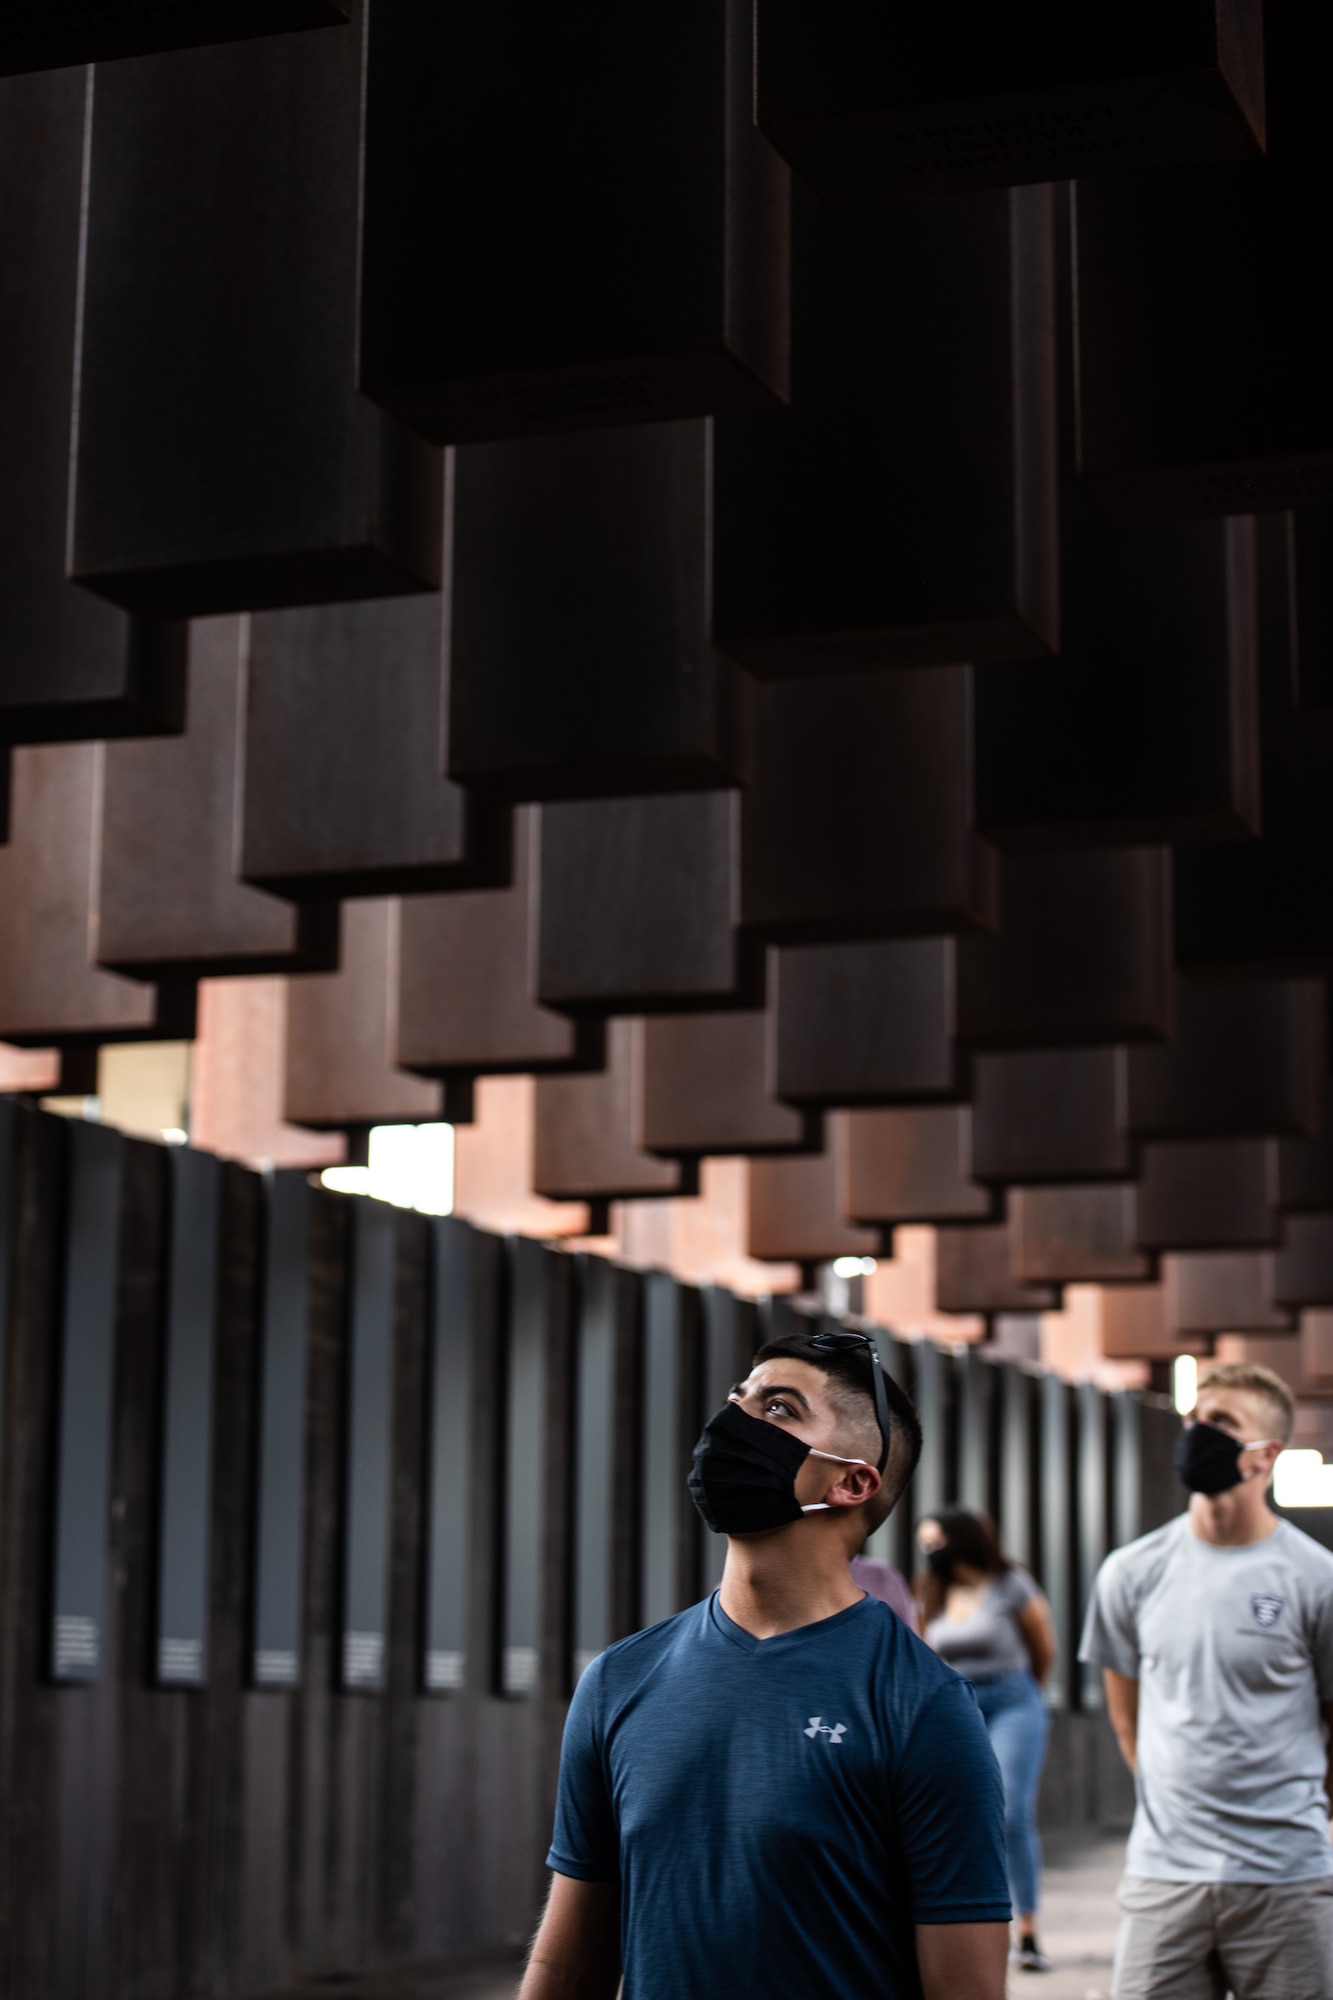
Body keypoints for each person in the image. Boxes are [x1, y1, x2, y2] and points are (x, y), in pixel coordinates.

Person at [520, 1325, 1012, 2000]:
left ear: (852, 1482)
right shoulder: (617, 1680)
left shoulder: (920, 1706)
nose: (733, 1420)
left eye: (777, 1408)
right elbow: (567, 1967)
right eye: (738, 1397)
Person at [1079, 1360, 1333, 2000]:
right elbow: (1126, 1717)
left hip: (1287, 1880)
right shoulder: (1131, 1572)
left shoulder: (1315, 1579)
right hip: (1165, 1877)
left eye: (1221, 1422)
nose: (1197, 1433)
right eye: (1195, 1419)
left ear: (1264, 1455)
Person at [915, 1506, 1057, 1973]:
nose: (930, 1553)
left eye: (937, 1543)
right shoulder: (932, 1591)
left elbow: (1044, 1648)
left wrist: (1027, 1694)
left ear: (962, 1540)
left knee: (1012, 1812)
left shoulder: (1010, 1583)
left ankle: (1029, 1931)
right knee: (962, 1815)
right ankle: (977, 1931)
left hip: (1014, 1700)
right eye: (924, 1545)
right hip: (959, 1707)